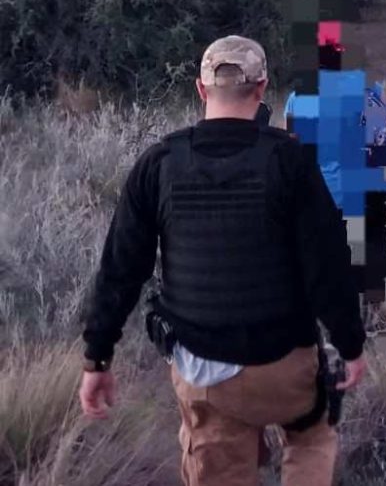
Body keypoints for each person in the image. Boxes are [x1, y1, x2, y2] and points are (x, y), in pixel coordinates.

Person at [79, 35, 367, 486]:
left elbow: (120, 270)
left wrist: (97, 358)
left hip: (205, 370)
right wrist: (351, 346)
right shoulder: (290, 160)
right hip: (286, 365)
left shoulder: (158, 164)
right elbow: (326, 266)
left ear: (200, 89)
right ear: (261, 88)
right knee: (312, 437)